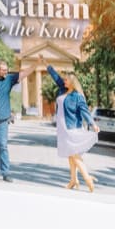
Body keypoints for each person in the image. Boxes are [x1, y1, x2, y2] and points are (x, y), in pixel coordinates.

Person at [46, 64, 100, 192]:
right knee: (71, 155)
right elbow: (55, 76)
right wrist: (45, 64)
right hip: (62, 128)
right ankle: (73, 180)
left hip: (71, 128)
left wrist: (93, 124)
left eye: (66, 80)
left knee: (74, 154)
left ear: (72, 82)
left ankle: (87, 178)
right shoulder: (62, 90)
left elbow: (85, 111)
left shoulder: (77, 96)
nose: (63, 81)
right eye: (63, 80)